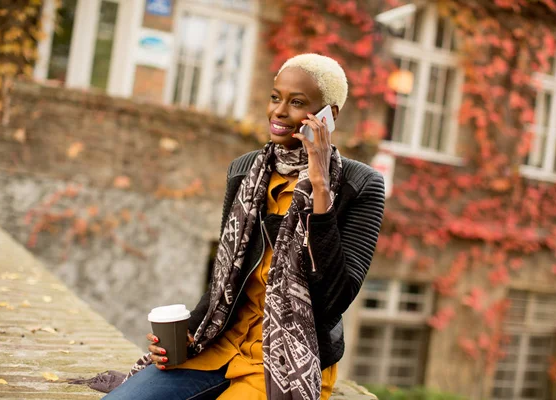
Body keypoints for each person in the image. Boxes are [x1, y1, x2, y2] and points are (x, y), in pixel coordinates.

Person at [104, 53, 385, 400]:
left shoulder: (361, 184)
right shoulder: (246, 171)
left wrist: (321, 189)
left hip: (285, 362)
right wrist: (191, 329)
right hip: (219, 345)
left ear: (328, 116)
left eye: (297, 103)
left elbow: (334, 300)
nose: (279, 111)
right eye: (275, 97)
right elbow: (226, 274)